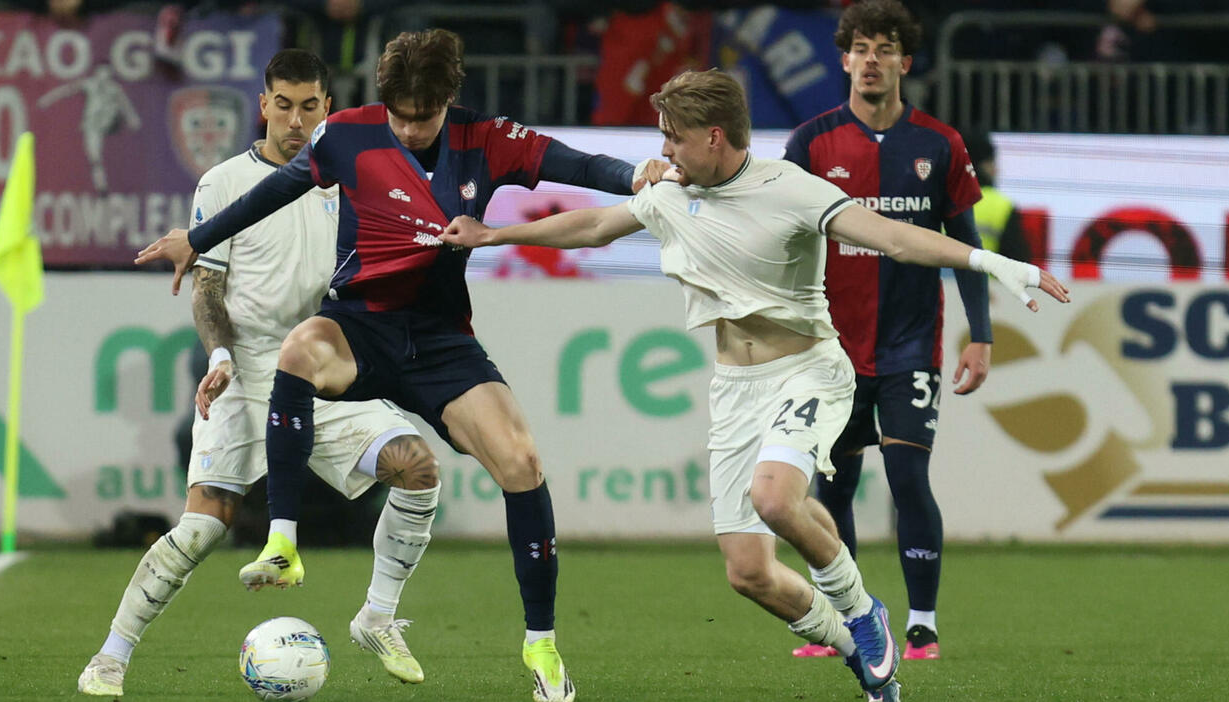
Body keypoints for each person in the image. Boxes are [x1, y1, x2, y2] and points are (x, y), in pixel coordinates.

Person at [438, 69, 1069, 702]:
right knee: (749, 573)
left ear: (714, 137)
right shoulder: (669, 193)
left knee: (774, 498)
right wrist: (494, 235)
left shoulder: (789, 188)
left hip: (808, 371)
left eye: (673, 138)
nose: (663, 152)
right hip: (735, 389)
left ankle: (860, 610)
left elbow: (893, 238)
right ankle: (860, 656)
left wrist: (991, 261)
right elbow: (594, 227)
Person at [134, 29, 668, 702]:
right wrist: (198, 237)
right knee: (299, 350)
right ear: (383, 102)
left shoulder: (486, 140)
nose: (412, 129)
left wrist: (632, 174)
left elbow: (572, 162)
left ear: (450, 100)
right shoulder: (349, 136)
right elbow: (268, 195)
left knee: (523, 464)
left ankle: (541, 645)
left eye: (426, 115)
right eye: (402, 115)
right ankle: (283, 540)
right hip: (358, 325)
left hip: (441, 340)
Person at [79, 49, 441, 697]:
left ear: (328, 107)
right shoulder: (222, 183)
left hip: (323, 370)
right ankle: (109, 658)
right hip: (244, 376)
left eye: (310, 106)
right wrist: (219, 356)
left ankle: (377, 616)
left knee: (417, 466)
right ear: (264, 104)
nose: (296, 120)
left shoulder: (349, 180)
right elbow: (207, 291)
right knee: (199, 530)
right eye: (284, 104)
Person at [783, 0, 987, 661]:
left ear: (905, 60)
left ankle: (922, 621)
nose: (872, 60)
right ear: (843, 60)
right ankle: (849, 617)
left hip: (909, 347)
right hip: (830, 351)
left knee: (907, 479)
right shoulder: (811, 143)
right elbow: (785, 238)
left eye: (885, 49)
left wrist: (979, 334)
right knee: (832, 486)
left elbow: (968, 245)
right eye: (861, 48)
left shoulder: (938, 144)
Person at [962, 128, 1034, 264]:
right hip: (987, 284)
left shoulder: (937, 200)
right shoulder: (1001, 206)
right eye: (992, 162)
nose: (996, 170)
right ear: (982, 165)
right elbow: (1019, 263)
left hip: (941, 284)